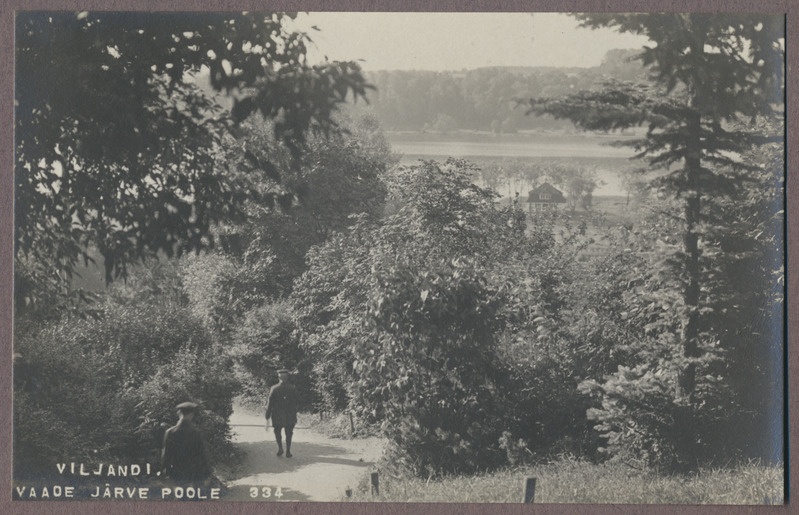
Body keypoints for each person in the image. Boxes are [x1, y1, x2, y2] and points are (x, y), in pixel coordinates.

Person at [161, 401, 212, 482]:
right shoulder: (196, 433)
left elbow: (166, 456)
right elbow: (202, 455)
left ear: (179, 413)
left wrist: (167, 473)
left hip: (176, 474)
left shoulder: (170, 432)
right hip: (194, 474)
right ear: (191, 415)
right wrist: (206, 474)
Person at [265, 368, 298, 457]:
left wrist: (267, 414)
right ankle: (288, 450)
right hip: (290, 414)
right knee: (289, 433)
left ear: (279, 377)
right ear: (287, 378)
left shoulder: (274, 388)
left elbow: (270, 402)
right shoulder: (292, 388)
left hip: (277, 414)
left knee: (277, 431)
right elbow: (296, 401)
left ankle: (280, 448)